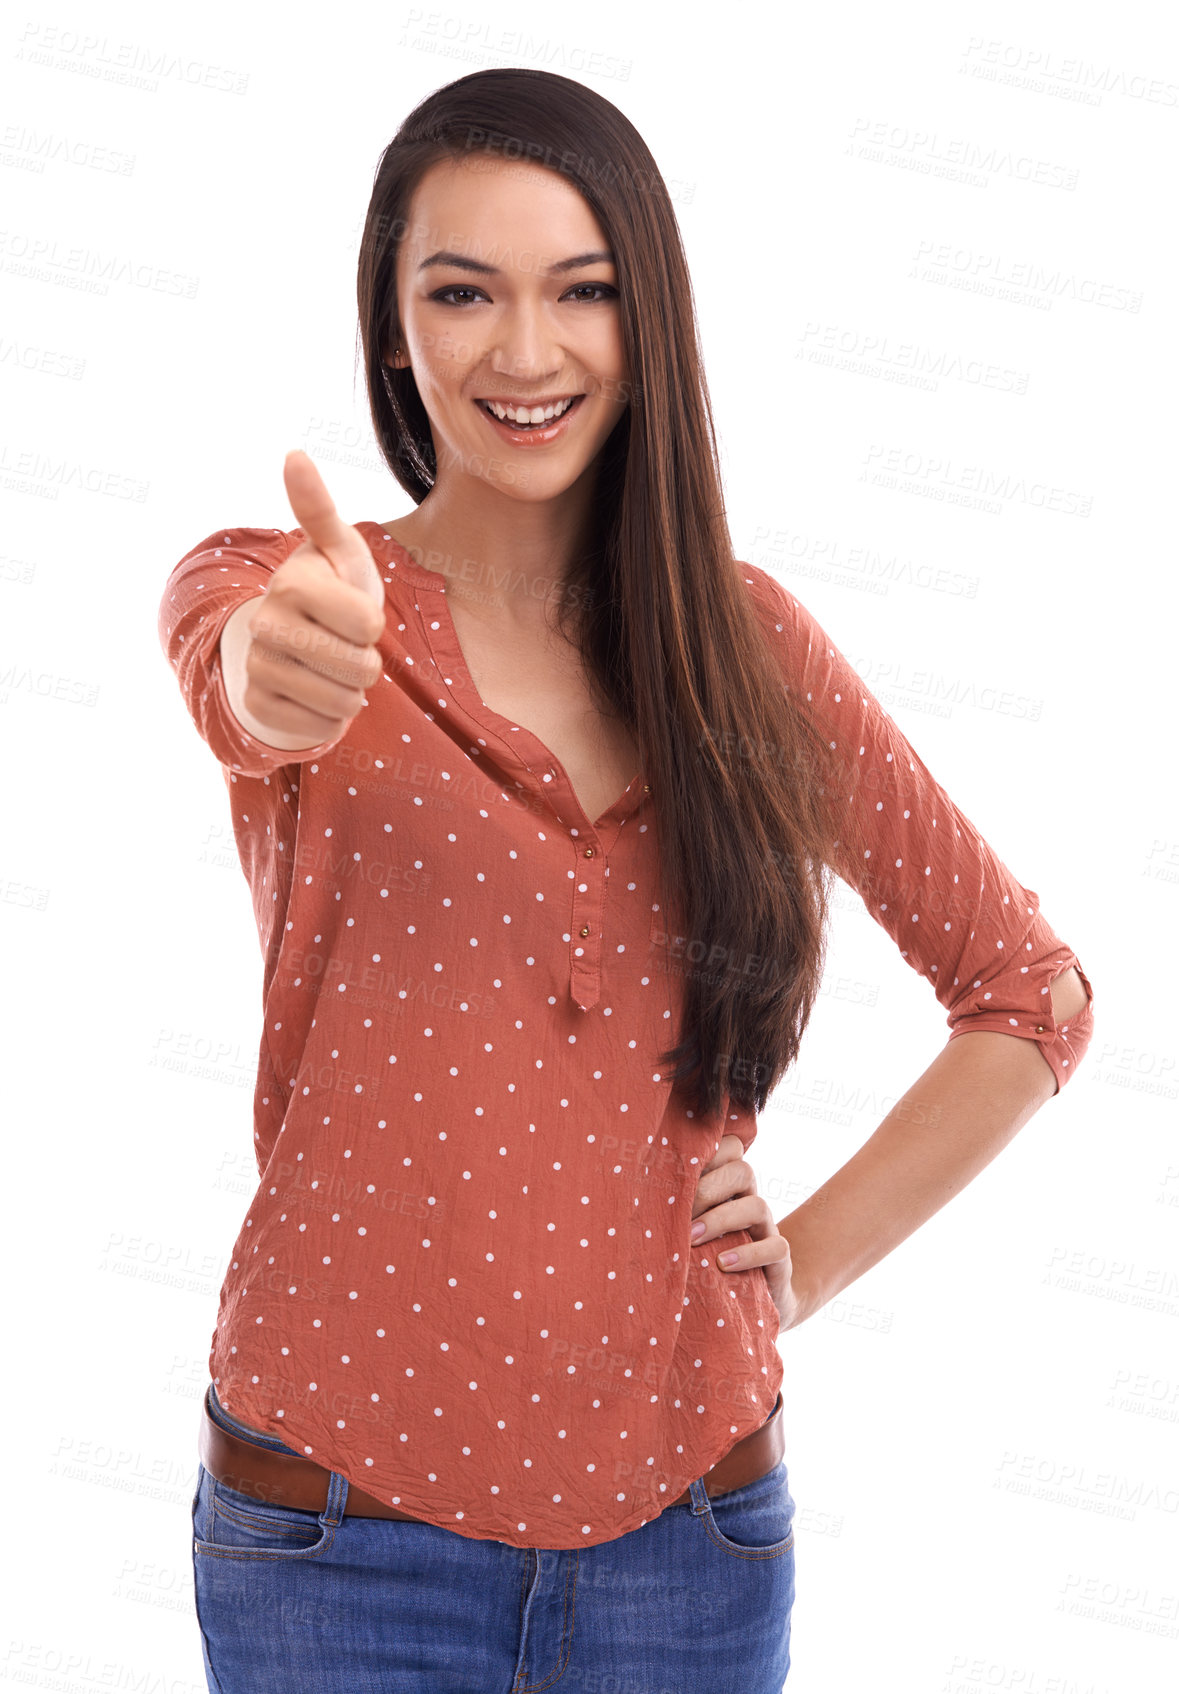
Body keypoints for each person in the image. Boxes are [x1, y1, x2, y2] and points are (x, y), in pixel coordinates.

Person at [158, 67, 1095, 1694]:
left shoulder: (749, 651)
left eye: (580, 292)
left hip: (690, 1545)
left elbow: (1028, 995)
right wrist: (272, 669)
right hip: (333, 1535)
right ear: (393, 328)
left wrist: (803, 1255)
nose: (526, 353)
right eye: (463, 293)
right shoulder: (292, 592)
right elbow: (238, 671)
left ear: (645, 317)